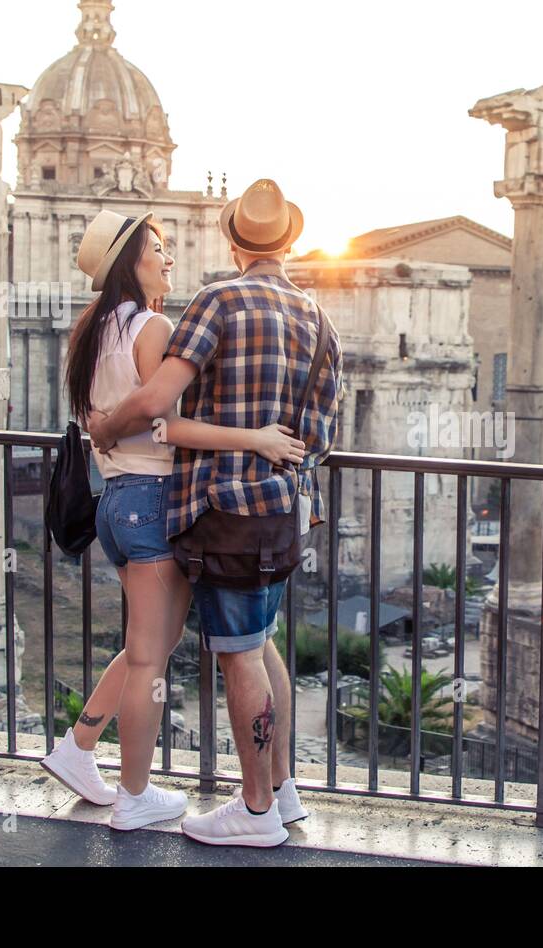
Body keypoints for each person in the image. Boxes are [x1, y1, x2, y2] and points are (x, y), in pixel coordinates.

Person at [89, 179, 342, 848]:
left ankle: (254, 811)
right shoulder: (319, 318)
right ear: (289, 241)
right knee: (261, 646)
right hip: (285, 510)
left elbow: (156, 400)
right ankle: (282, 792)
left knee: (238, 658)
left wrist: (106, 427)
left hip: (223, 509)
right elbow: (319, 438)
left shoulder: (217, 301)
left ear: (233, 241)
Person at [41, 209, 307, 833]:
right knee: (149, 662)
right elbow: (165, 421)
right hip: (157, 500)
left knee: (144, 647)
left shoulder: (91, 329)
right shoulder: (153, 325)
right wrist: (257, 437)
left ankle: (77, 750)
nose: (168, 257)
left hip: (115, 501)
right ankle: (134, 797)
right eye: (156, 249)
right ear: (128, 264)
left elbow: (110, 418)